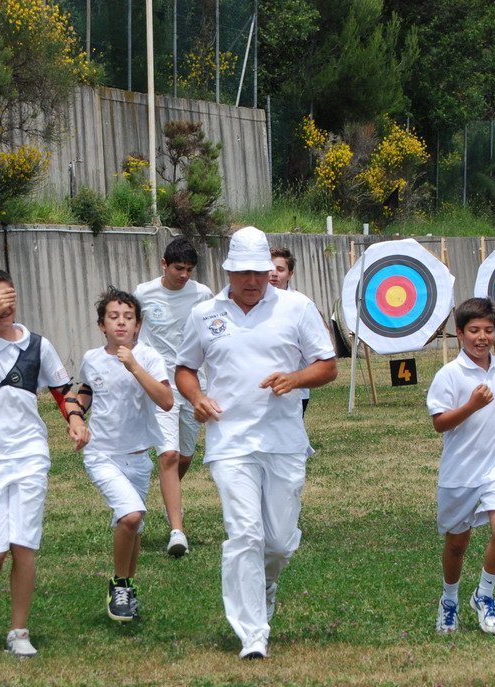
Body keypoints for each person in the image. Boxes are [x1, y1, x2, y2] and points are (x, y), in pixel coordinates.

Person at [175, 226, 337, 659]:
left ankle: (266, 582)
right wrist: (197, 397)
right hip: (230, 442)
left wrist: (295, 378)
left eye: (259, 272)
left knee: (278, 543)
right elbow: (185, 368)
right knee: (244, 533)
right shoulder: (204, 314)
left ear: (270, 271)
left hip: (284, 440)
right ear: (228, 271)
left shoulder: (297, 307)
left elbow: (327, 366)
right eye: (243, 272)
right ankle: (252, 633)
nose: (251, 281)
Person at [0, 268, 87, 657]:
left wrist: (75, 420)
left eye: (10, 296)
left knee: (23, 544)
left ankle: (18, 631)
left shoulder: (38, 345)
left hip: (29, 452)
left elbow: (62, 390)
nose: (6, 304)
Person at [73, 287, 174, 622]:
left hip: (138, 457)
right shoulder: (92, 358)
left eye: (128, 317)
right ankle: (118, 584)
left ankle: (127, 588)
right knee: (130, 516)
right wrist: (76, 419)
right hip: (101, 454)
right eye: (113, 317)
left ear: (138, 325)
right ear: (101, 325)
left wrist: (134, 367)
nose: (121, 323)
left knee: (134, 527)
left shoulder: (148, 357)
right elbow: (85, 391)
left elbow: (166, 401)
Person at [426, 297, 495, 635]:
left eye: (489, 330)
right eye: (474, 330)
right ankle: (449, 600)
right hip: (460, 473)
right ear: (459, 333)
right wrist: (471, 405)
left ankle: (484, 594)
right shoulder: (449, 375)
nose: (482, 337)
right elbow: (440, 423)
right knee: (457, 544)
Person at [133, 237, 213, 557]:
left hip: (193, 384)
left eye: (189, 270)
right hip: (160, 386)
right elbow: (132, 333)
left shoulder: (203, 294)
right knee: (168, 455)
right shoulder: (143, 293)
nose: (184, 275)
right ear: (164, 264)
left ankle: (170, 495)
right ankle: (177, 531)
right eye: (179, 268)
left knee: (185, 457)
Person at [269, 246, 311, 415]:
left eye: (280, 269)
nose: (274, 274)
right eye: (270, 268)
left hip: (295, 391)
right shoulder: (251, 304)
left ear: (290, 274)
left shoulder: (301, 304)